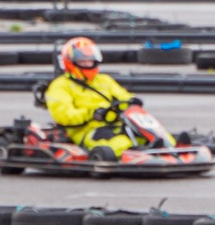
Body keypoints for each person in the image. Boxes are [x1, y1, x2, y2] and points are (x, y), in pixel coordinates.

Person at [41, 35, 171, 158]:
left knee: (150, 136)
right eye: (82, 60)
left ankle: (168, 146)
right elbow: (63, 115)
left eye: (90, 60)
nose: (87, 63)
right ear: (71, 62)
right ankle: (138, 153)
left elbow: (123, 97)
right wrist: (92, 113)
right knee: (121, 142)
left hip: (115, 124)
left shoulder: (104, 80)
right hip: (87, 130)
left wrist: (132, 102)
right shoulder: (60, 85)